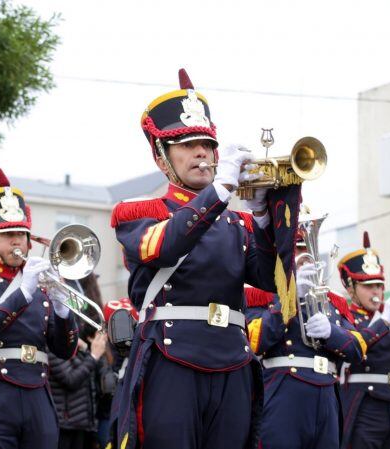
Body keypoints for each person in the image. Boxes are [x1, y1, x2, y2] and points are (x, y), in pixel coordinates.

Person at [110, 68, 278, 449]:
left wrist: (265, 218)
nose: (201, 152)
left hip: (233, 360)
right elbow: (165, 246)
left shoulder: (239, 223)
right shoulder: (139, 211)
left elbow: (269, 279)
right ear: (161, 157)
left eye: (206, 143)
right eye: (185, 143)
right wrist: (220, 192)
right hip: (172, 358)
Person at [0, 168, 79, 449]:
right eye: (7, 234)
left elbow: (65, 351)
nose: (17, 240)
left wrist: (62, 310)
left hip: (39, 395)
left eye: (21, 233)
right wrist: (22, 292)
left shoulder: (41, 285)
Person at [244, 235, 367, 448]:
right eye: (296, 251)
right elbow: (255, 339)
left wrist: (332, 333)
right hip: (285, 390)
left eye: (307, 250)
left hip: (327, 392)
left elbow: (358, 349)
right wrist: (290, 298)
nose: (304, 259)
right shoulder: (264, 293)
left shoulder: (332, 301)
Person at [339, 232, 390, 449]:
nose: (376, 292)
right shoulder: (345, 317)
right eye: (368, 285)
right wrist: (384, 320)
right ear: (351, 288)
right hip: (364, 403)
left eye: (379, 286)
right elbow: (352, 346)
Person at [49, 327, 108, 449]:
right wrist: (93, 356)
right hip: (64, 424)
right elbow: (71, 380)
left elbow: (97, 371)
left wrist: (87, 349)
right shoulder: (52, 347)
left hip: (82, 422)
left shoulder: (75, 346)